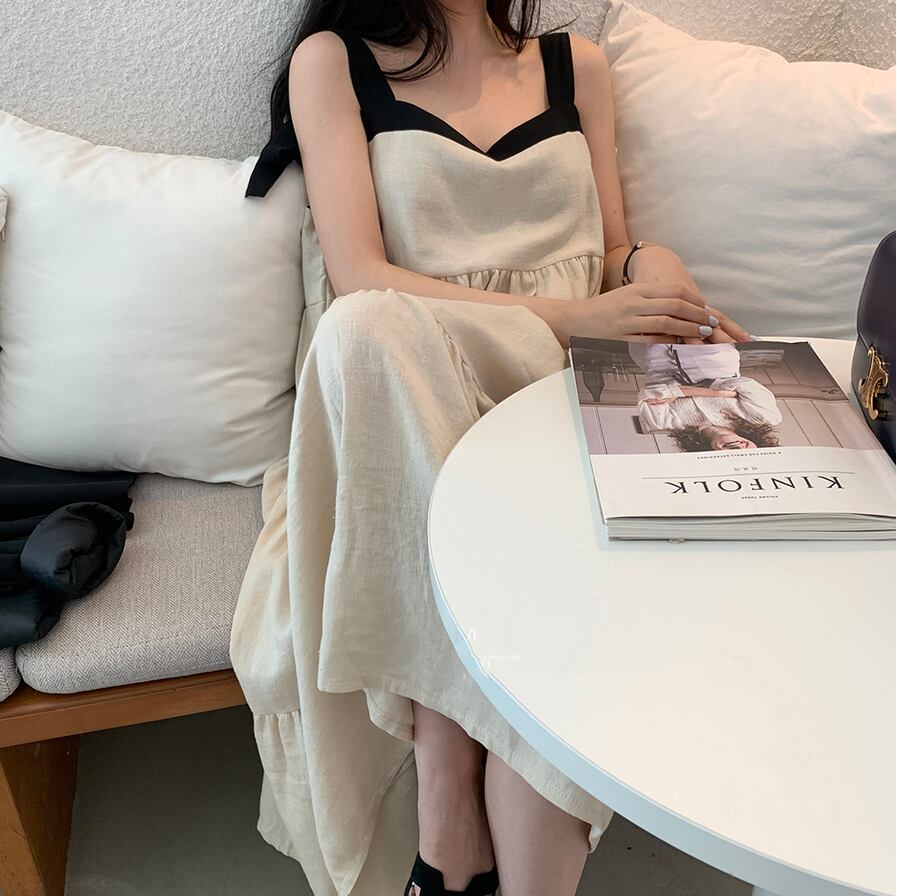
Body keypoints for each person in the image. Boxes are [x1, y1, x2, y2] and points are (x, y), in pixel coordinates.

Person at [230, 3, 753, 895]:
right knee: (361, 329)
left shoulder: (575, 66)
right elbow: (359, 273)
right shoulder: (334, 62)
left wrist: (650, 272)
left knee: (529, 561)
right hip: (409, 396)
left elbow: (609, 247)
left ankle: (454, 842)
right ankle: (446, 772)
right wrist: (579, 316)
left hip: (552, 396)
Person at [628, 342, 782, 450]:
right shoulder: (765, 417)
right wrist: (680, 392)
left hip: (655, 356)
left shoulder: (661, 424)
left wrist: (725, 393)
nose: (739, 450)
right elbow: (746, 384)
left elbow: (650, 392)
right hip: (711, 353)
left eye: (732, 458)